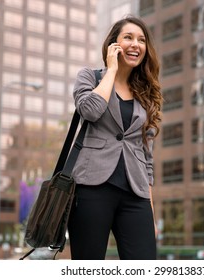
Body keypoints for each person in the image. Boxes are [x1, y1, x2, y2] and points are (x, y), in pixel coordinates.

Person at [68, 15, 162, 260]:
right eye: (128, 37)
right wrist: (111, 70)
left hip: (135, 193)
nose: (136, 44)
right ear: (114, 44)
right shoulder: (90, 77)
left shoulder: (146, 94)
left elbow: (147, 159)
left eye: (141, 40)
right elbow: (90, 110)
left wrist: (150, 211)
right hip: (92, 188)